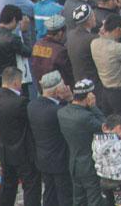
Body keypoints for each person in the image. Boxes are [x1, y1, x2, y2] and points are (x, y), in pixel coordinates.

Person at [0, 66, 42, 206]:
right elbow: (31, 122)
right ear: (16, 82)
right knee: (31, 186)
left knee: (7, 186)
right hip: (23, 152)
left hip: (4, 150)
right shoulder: (20, 102)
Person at [26, 71, 73, 206]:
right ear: (57, 90)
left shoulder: (32, 106)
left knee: (50, 193)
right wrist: (70, 98)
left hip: (43, 159)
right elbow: (75, 117)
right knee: (65, 196)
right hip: (60, 160)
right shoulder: (57, 111)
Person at [57, 79, 106, 206]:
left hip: (74, 163)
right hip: (89, 165)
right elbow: (105, 127)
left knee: (79, 200)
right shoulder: (86, 117)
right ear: (89, 96)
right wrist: (93, 106)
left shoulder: (62, 113)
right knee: (94, 199)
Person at [92, 114, 121, 206]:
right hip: (120, 183)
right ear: (119, 128)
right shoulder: (119, 143)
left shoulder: (96, 142)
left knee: (109, 203)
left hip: (104, 181)